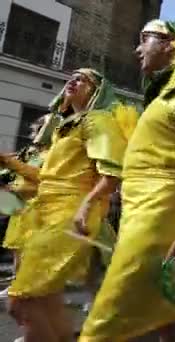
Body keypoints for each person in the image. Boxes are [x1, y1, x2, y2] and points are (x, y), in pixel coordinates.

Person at [80, 20, 175, 342]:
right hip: (142, 209)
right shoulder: (164, 95)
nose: (136, 49)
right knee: (169, 315)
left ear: (170, 44)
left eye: (143, 39)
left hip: (159, 211)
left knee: (108, 313)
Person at [5, 68, 127, 342]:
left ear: (95, 91)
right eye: (70, 78)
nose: (72, 81)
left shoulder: (97, 121)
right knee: (46, 301)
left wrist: (85, 207)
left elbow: (112, 174)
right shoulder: (63, 129)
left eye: (82, 79)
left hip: (70, 214)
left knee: (22, 302)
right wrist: (8, 161)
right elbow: (43, 177)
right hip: (45, 211)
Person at [0, 114, 58, 300]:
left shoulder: (53, 154)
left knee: (31, 251)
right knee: (17, 248)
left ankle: (33, 290)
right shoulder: (31, 151)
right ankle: (17, 285)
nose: (34, 133)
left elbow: (40, 177)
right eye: (34, 129)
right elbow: (10, 170)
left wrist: (11, 163)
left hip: (38, 207)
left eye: (38, 129)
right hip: (19, 203)